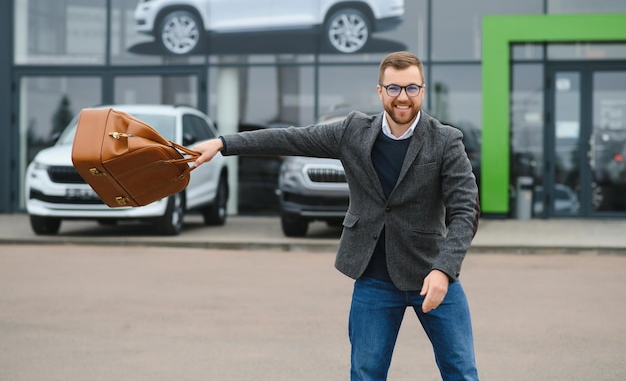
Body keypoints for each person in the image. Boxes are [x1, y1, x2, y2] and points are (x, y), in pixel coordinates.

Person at [193, 51, 481, 381]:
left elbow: (465, 210)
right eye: (394, 89)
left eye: (411, 88)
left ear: (423, 90)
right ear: (380, 91)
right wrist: (223, 143)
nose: (403, 97)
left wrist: (444, 270)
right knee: (365, 373)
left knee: (461, 371)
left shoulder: (446, 141)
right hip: (374, 278)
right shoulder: (352, 131)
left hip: (431, 272)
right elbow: (291, 138)